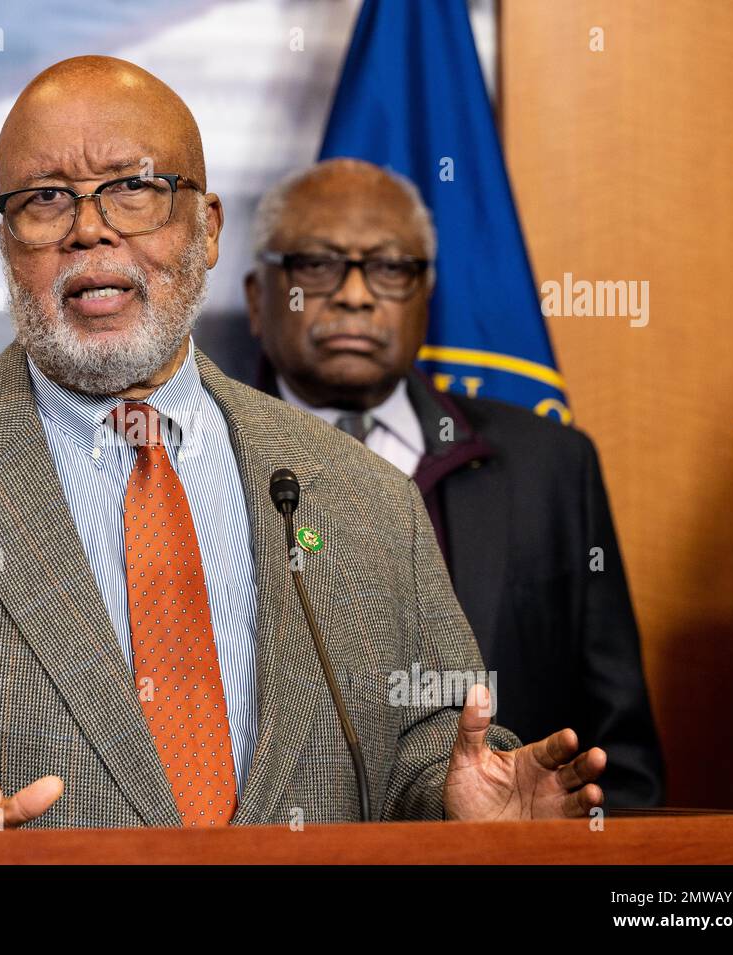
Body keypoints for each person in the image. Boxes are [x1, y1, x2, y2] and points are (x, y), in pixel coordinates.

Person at [0, 56, 607, 864]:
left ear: (207, 229)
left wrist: (462, 812)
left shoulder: (361, 493)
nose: (90, 230)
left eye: (133, 188)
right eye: (45, 199)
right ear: (8, 245)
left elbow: (420, 750)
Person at [244, 158, 663, 808]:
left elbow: (622, 762)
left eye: (389, 268)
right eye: (316, 264)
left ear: (426, 296)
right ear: (255, 297)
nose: (355, 294)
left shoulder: (549, 466)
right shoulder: (192, 463)